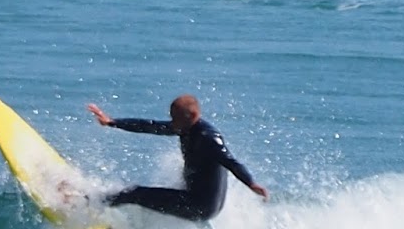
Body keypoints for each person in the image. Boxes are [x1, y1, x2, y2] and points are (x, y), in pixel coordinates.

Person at [86, 94, 268, 221]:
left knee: (135, 193)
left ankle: (88, 204)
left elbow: (231, 162)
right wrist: (112, 122)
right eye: (171, 118)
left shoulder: (208, 138)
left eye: (176, 119)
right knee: (147, 199)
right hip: (198, 199)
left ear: (193, 116)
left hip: (199, 206)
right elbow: (150, 126)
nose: (172, 123)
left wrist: (251, 183)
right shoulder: (185, 126)